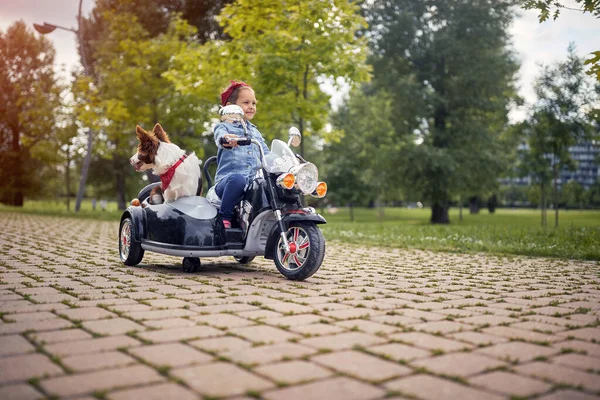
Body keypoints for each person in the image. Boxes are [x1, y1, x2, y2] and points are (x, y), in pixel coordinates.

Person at [213, 80, 270, 229]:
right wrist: (226, 139)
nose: (251, 106)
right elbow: (220, 136)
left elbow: (267, 155)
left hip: (251, 185)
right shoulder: (224, 127)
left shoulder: (255, 132)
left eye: (254, 103)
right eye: (246, 102)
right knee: (238, 179)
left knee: (268, 184)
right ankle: (224, 217)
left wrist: (283, 160)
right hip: (227, 184)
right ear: (230, 107)